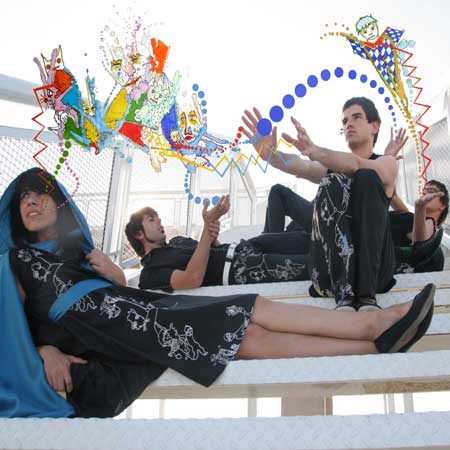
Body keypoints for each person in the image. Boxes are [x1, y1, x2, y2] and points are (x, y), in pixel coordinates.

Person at [0, 168, 435, 418]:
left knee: (250, 331)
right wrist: (41, 351)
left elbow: (109, 299)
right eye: (24, 198)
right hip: (119, 331)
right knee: (251, 318)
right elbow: (10, 323)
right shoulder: (16, 261)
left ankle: (373, 340)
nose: (33, 201)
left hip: (134, 316)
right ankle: (372, 324)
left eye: (42, 194)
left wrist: (115, 275)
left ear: (60, 203)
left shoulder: (80, 256)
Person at [242, 97, 402, 311]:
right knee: (332, 180)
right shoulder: (333, 170)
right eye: (344, 121)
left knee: (366, 176)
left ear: (375, 126)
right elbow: (304, 167)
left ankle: (366, 296)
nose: (349, 124)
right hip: (331, 275)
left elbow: (356, 165)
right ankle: (343, 291)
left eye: (356, 117)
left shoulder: (387, 163)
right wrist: (270, 156)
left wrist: (316, 151)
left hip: (376, 273)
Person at [125, 198, 312, 291]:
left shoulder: (177, 241)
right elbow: (192, 278)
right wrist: (207, 229)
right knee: (310, 264)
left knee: (306, 239)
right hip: (242, 269)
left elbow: (214, 249)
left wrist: (212, 231)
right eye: (151, 219)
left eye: (158, 217)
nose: (159, 221)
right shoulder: (150, 274)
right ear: (138, 234)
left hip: (246, 247)